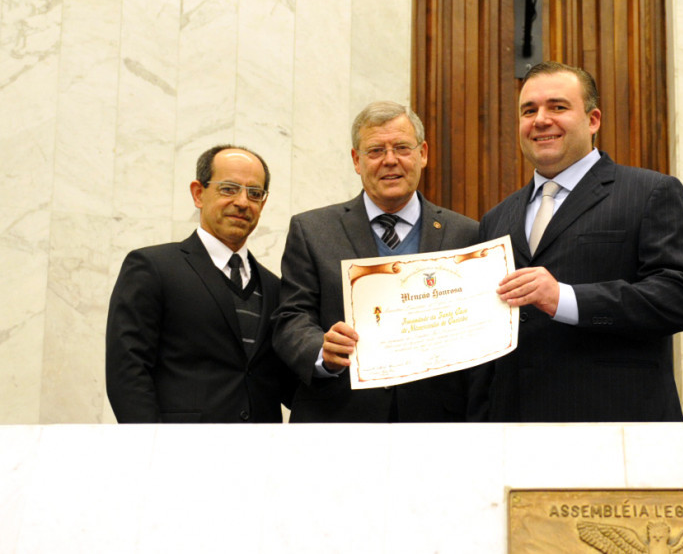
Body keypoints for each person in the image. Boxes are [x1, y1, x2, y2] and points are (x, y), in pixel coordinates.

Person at [470, 61, 683, 422]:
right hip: (513, 432)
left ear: (593, 120)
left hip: (617, 427)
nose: (541, 120)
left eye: (558, 107)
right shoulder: (496, 218)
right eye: (528, 110)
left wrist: (565, 298)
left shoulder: (650, 192)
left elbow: (681, 296)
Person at [271, 101, 479, 422]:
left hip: (437, 423)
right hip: (337, 419)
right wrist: (321, 352)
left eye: (401, 148)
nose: (390, 160)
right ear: (356, 160)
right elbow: (291, 317)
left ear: (423, 153)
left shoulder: (466, 234)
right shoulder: (311, 230)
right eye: (375, 151)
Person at [106, 145, 297, 423]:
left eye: (254, 193)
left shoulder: (275, 288)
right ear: (198, 193)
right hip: (179, 453)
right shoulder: (152, 268)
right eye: (229, 189)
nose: (243, 202)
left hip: (260, 455)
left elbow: (284, 383)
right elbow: (128, 373)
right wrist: (151, 449)